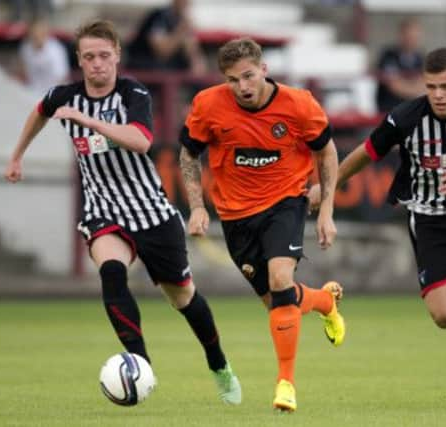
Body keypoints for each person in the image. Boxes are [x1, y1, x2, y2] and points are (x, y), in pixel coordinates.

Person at [4, 20, 241, 405]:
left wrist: (87, 121)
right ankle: (140, 364)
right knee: (112, 273)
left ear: (116, 56)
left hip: (150, 211)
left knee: (182, 297)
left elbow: (141, 140)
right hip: (103, 210)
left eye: (103, 55)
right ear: (79, 61)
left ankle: (219, 364)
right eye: (88, 57)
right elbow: (39, 110)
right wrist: (17, 156)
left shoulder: (134, 93)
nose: (97, 64)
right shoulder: (64, 96)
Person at [310, 47, 446, 407]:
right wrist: (327, 186)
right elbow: (366, 153)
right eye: (431, 87)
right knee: (445, 316)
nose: (438, 95)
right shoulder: (406, 118)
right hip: (430, 218)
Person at [178, 37, 345, 413]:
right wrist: (196, 206)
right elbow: (189, 152)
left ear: (264, 70)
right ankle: (323, 300)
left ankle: (286, 383)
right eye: (233, 80)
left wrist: (326, 208)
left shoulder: (299, 104)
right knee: (277, 301)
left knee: (280, 280)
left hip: (285, 202)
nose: (243, 87)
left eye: (249, 76)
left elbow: (327, 150)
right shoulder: (208, 104)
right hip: (236, 217)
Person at [126, 0, 207, 74]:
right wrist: (181, 31)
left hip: (166, 69)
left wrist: (196, 62)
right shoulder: (159, 16)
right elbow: (162, 52)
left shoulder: (181, 20)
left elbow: (192, 53)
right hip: (143, 66)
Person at [375, 17, 425, 112]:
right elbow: (394, 85)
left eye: (415, 37)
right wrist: (416, 88)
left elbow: (426, 84)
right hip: (391, 112)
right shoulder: (388, 56)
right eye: (409, 37)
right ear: (401, 35)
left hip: (412, 113)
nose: (412, 40)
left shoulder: (420, 58)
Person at [18, 19, 70, 96]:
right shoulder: (26, 48)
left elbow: (62, 78)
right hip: (33, 91)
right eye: (34, 34)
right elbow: (24, 72)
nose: (37, 37)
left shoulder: (56, 50)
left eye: (40, 33)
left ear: (45, 34)